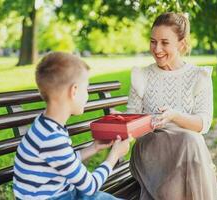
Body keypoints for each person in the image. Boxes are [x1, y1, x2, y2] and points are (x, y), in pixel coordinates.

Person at [13, 52, 130, 200]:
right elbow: (90, 186)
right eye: (86, 89)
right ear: (74, 91)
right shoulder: (52, 137)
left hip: (64, 193)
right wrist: (114, 155)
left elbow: (63, 161)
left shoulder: (46, 125)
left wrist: (94, 148)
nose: (87, 95)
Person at [127, 12, 217, 200]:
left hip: (186, 150)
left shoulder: (198, 77)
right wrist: (120, 120)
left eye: (164, 42)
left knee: (190, 142)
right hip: (151, 149)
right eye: (153, 41)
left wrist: (175, 116)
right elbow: (132, 120)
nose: (157, 48)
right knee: (191, 143)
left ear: (182, 44)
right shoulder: (141, 76)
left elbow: (203, 124)